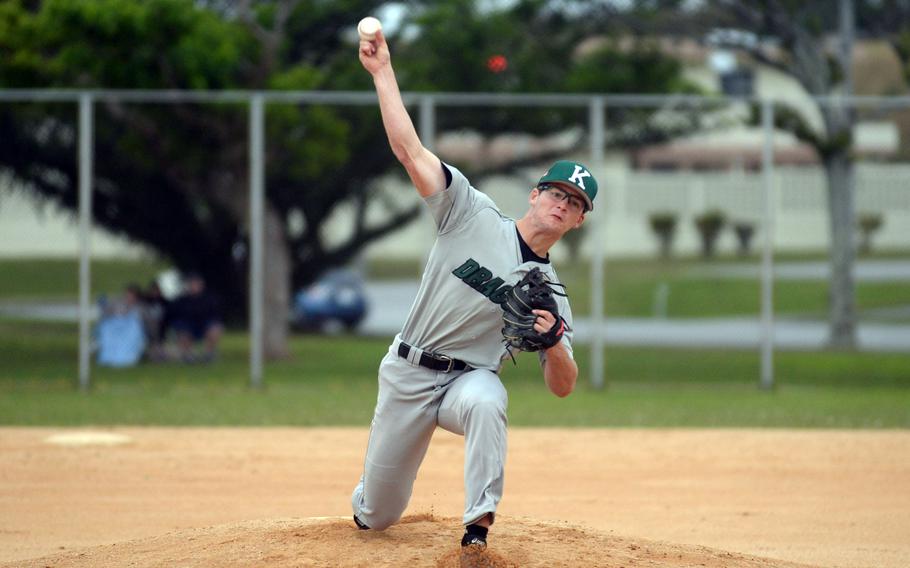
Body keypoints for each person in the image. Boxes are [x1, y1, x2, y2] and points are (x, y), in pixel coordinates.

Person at [352, 29, 598, 551]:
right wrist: (382, 72)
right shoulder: (469, 210)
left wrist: (554, 340)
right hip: (408, 372)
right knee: (378, 515)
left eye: (574, 203)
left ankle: (477, 529)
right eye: (556, 192)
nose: (562, 204)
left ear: (578, 222)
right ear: (534, 195)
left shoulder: (550, 293)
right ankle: (369, 500)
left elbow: (564, 386)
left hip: (467, 383)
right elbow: (409, 151)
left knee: (490, 398)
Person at [168, 273, 223, 363]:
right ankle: (188, 355)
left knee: (215, 328)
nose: (194, 286)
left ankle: (209, 354)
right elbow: (176, 316)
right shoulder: (181, 301)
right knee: (183, 330)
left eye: (196, 284)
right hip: (188, 326)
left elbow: (215, 316)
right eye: (192, 284)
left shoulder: (209, 299)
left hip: (205, 325)